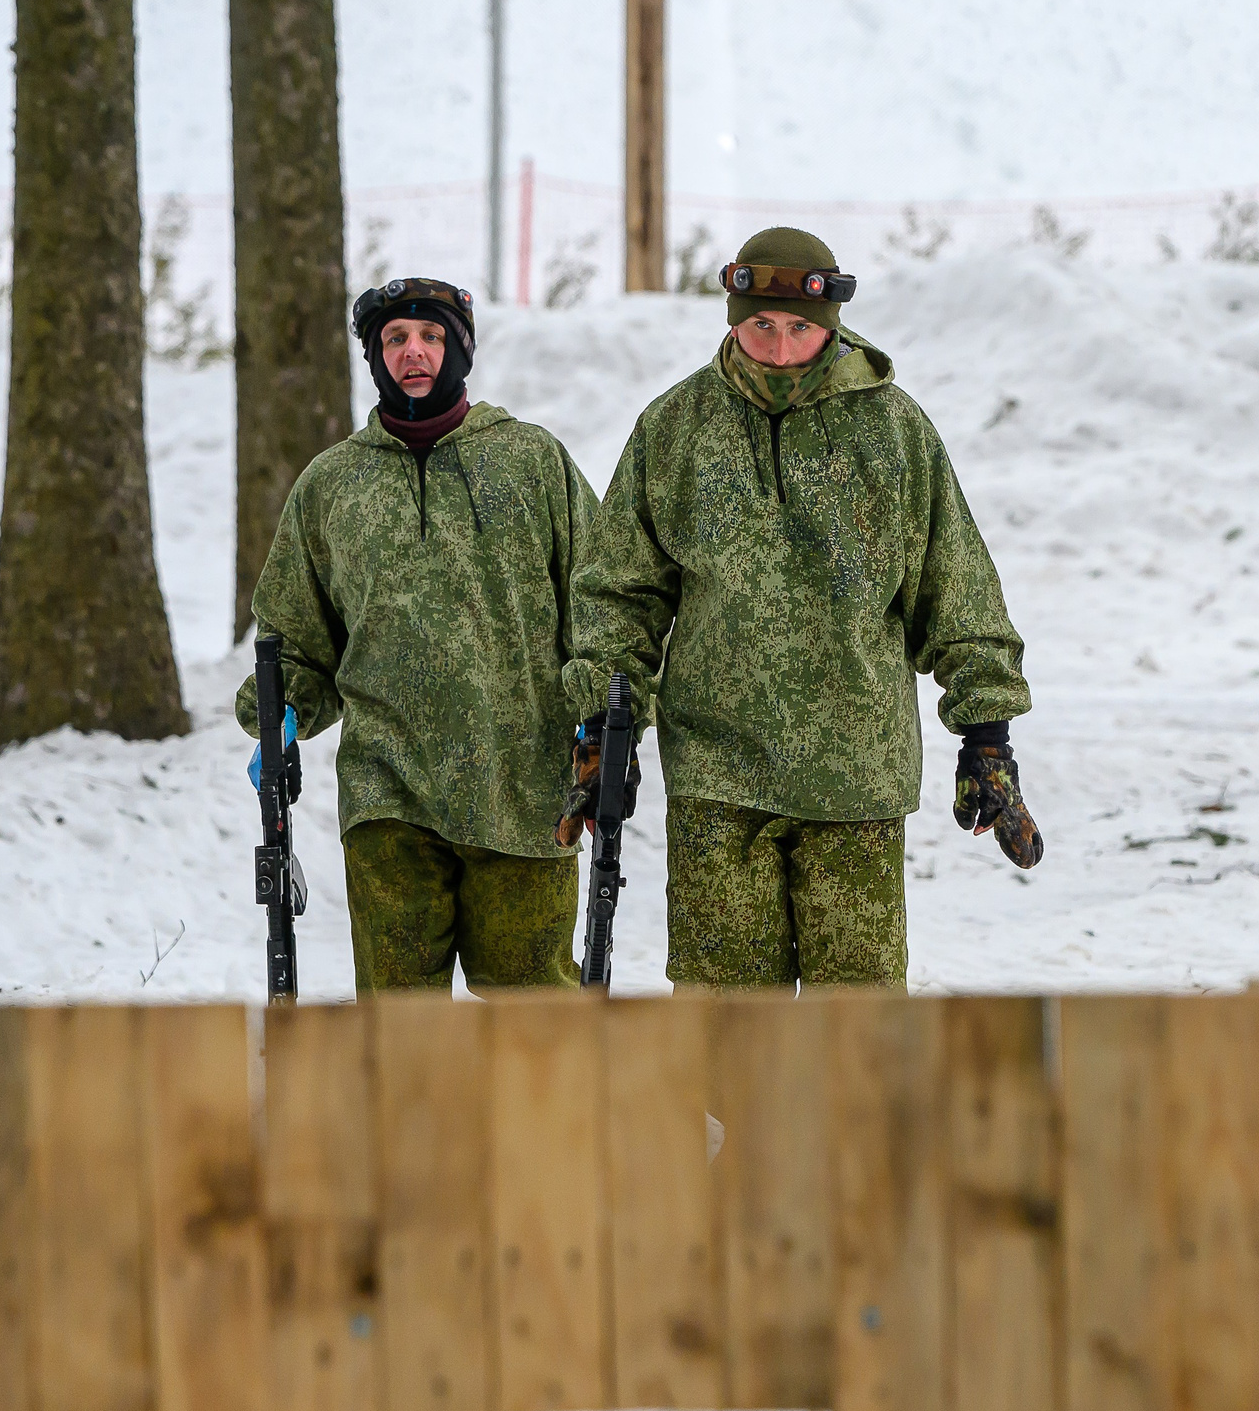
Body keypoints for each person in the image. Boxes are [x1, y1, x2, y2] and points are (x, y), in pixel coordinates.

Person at [561, 226, 1040, 989]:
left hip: (855, 780)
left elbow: (957, 589)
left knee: (853, 1033)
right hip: (719, 778)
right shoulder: (675, 429)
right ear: (732, 319)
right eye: (760, 326)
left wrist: (987, 739)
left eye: (800, 330)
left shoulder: (894, 433)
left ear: (832, 324)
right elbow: (621, 594)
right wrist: (601, 726)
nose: (780, 350)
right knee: (725, 1028)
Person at [237, 277, 597, 992]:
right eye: (395, 339)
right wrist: (280, 712)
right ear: (374, 356)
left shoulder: (533, 463)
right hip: (387, 798)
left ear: (461, 350)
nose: (414, 352)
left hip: (522, 790)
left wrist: (602, 722)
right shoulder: (332, 486)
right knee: (400, 1028)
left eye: (431, 336)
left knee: (541, 1025)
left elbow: (601, 604)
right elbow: (300, 641)